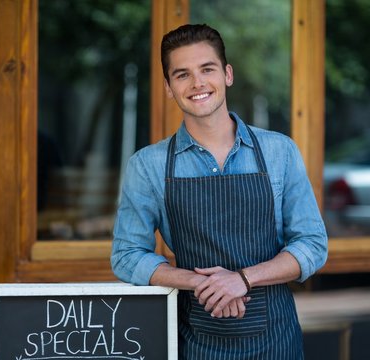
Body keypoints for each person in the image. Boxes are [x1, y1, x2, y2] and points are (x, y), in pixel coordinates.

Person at [111, 24, 328, 359]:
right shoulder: (148, 165)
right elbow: (126, 256)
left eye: (207, 69)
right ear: (169, 87)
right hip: (195, 340)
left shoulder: (279, 151)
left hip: (277, 340)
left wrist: (242, 279)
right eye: (182, 75)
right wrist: (201, 283)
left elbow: (312, 245)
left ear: (227, 74)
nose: (197, 83)